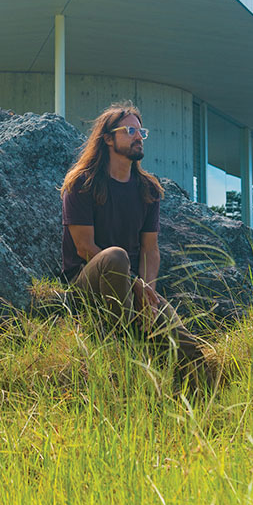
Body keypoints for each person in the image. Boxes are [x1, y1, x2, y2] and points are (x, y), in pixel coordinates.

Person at [61, 102, 213, 388]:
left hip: (134, 285)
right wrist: (135, 284)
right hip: (86, 282)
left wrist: (148, 292)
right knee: (116, 257)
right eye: (130, 130)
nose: (139, 136)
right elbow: (84, 247)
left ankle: (206, 407)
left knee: (187, 346)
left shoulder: (148, 188)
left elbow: (150, 249)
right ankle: (127, 352)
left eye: (141, 131)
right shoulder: (82, 183)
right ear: (107, 138)